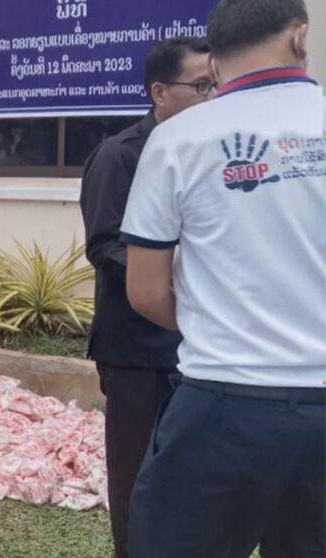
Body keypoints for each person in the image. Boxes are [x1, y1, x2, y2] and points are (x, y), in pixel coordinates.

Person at [121, 1, 324, 556]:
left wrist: (222, 323)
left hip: (221, 408)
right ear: (300, 39)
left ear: (214, 61)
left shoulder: (177, 140)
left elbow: (145, 291)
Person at [78, 37, 213, 558]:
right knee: (135, 476)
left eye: (215, 84)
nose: (211, 95)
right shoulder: (120, 156)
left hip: (198, 346)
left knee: (193, 476)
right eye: (200, 85)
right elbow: (103, 244)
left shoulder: (209, 151)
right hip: (135, 347)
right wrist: (165, 266)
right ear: (160, 92)